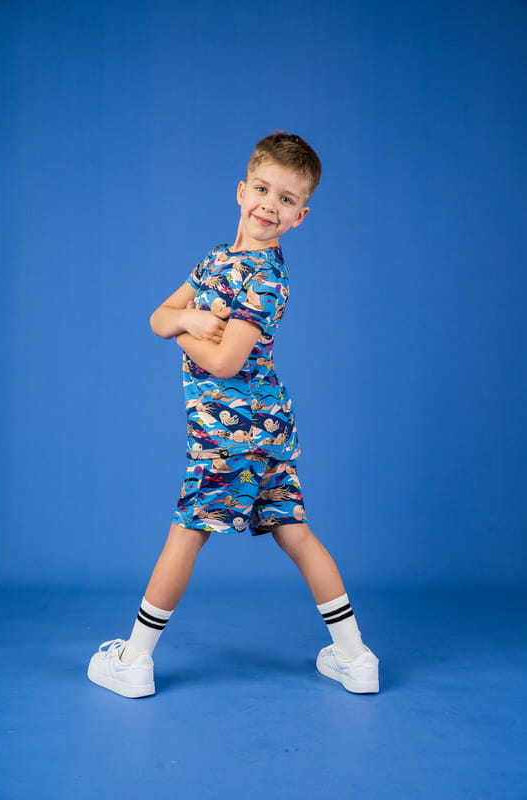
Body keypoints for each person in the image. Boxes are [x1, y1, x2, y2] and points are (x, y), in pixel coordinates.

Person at [87, 132, 380, 698]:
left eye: (287, 199)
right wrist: (186, 320)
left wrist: (183, 333)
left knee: (186, 534)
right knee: (294, 532)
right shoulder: (216, 259)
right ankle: (355, 656)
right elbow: (157, 316)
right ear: (242, 191)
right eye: (264, 190)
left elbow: (224, 362)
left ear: (300, 216)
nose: (271, 205)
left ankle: (134, 660)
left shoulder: (265, 277)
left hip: (229, 433)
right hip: (267, 430)